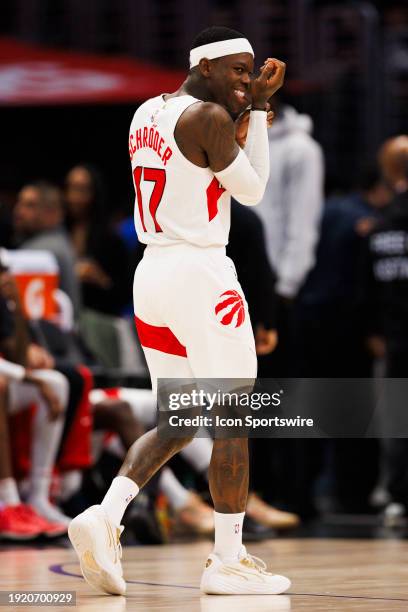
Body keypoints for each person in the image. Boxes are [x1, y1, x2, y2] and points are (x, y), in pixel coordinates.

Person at [69, 26, 290, 597]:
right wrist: (261, 112)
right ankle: (227, 559)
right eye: (239, 71)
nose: (246, 81)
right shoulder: (210, 119)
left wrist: (247, 110)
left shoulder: (148, 111)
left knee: (181, 417)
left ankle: (106, 513)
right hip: (200, 271)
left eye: (251, 74)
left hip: (154, 274)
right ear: (207, 66)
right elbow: (252, 191)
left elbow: (195, 168)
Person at [363, 136, 408, 524]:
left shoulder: (377, 227)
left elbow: (366, 288)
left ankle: (397, 494)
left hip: (393, 337)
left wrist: (374, 331)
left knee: (397, 419)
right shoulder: (376, 226)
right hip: (393, 335)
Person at [13, 181, 81, 319]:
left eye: (30, 205)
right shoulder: (60, 242)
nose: (19, 211)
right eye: (19, 203)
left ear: (52, 213)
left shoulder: (42, 250)